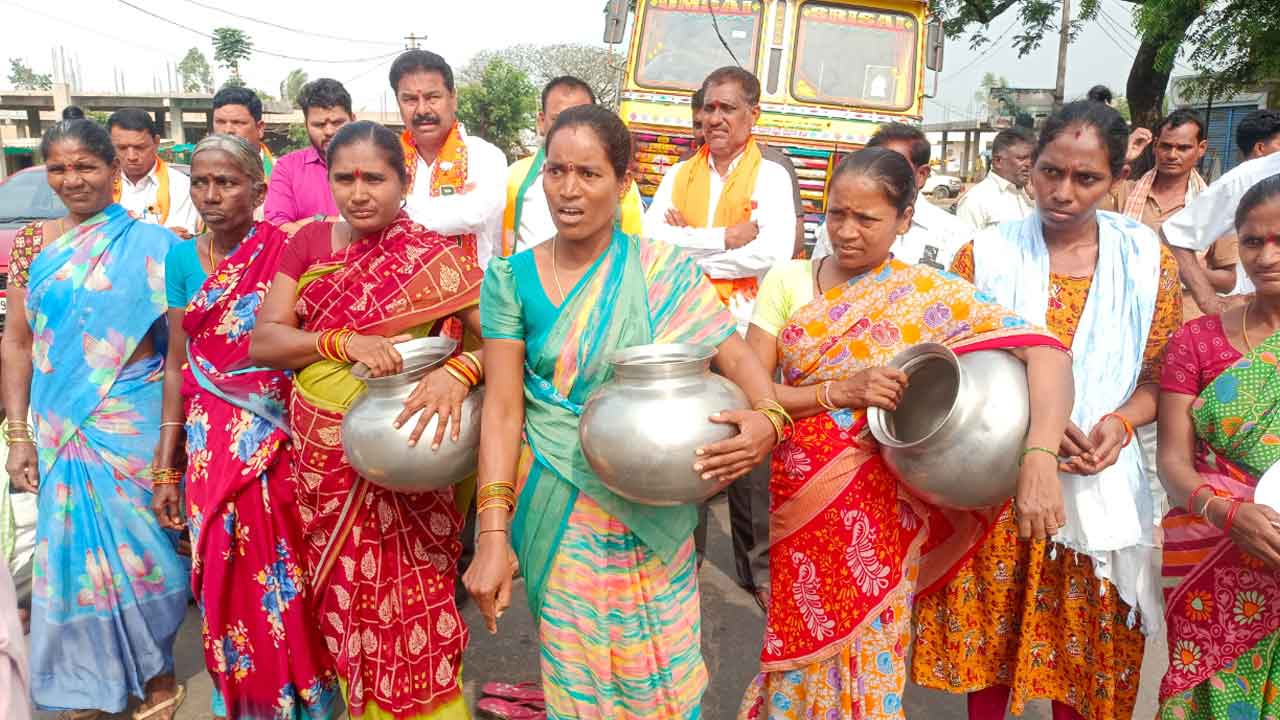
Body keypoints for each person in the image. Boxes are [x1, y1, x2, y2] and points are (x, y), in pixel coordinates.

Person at [466, 104, 781, 719]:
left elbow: (738, 359)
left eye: (589, 173)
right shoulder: (510, 278)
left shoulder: (662, 269)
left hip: (652, 501)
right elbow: (502, 412)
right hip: (556, 504)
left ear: (623, 180)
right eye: (555, 172)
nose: (569, 190)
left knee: (660, 666)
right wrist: (492, 536)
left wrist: (769, 416)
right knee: (576, 671)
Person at [736, 146, 1073, 720]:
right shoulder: (787, 280)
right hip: (800, 498)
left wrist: (1040, 453)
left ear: (905, 219)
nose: (846, 231)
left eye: (867, 219)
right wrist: (838, 392)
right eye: (836, 213)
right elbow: (752, 389)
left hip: (882, 507)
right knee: (798, 644)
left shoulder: (928, 295)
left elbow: (1047, 353)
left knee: (873, 648)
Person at [912, 100, 1182, 720]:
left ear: (1116, 178)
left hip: (1098, 485)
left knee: (1085, 660)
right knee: (991, 661)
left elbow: (1159, 375)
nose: (1062, 192)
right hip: (999, 486)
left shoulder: (1144, 260)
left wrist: (1118, 423)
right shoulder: (982, 257)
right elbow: (956, 369)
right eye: (1049, 172)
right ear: (1030, 169)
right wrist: (1039, 430)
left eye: (1085, 178)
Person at [250, 120, 484, 719]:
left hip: (406, 453)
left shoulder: (433, 257)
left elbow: (502, 344)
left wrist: (460, 373)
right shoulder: (305, 245)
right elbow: (266, 341)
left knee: (416, 600)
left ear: (403, 182)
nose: (359, 192)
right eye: (344, 178)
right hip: (323, 456)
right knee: (345, 603)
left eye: (375, 178)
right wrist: (339, 341)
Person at [0, 119, 188, 719]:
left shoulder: (157, 246)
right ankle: (88, 680)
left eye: (85, 166)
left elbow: (179, 352)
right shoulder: (34, 247)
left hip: (132, 425)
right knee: (71, 561)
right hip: (59, 429)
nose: (72, 179)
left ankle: (156, 669)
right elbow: (17, 343)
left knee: (149, 557)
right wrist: (19, 434)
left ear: (113, 170)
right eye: (58, 168)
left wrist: (173, 443)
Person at [150, 134, 338, 719]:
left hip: (277, 435)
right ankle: (250, 699)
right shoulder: (181, 259)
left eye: (226, 182)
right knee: (221, 576)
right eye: (200, 183)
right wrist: (166, 463)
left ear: (258, 191)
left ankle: (307, 697)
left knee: (288, 573)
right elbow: (179, 362)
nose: (211, 195)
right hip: (210, 442)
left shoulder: (288, 245)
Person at [1155, 174, 1280, 719]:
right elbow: (1172, 462)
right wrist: (1227, 514)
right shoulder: (1197, 341)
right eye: (1252, 241)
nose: (1266, 255)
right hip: (1212, 551)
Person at [642, 66, 798, 334]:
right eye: (709, 108)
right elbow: (651, 242)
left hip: (745, 326)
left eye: (727, 108)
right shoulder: (679, 173)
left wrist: (692, 261)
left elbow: (771, 253)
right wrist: (724, 238)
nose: (714, 119)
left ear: (754, 115)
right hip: (676, 318)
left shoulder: (772, 176)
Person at [391, 50, 507, 270]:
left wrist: (394, 215)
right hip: (400, 295)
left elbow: (473, 215)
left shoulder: (485, 155)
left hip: (473, 298)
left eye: (433, 97)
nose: (422, 109)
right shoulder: (386, 158)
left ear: (453, 98)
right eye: (410, 99)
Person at [502, 75, 644, 254]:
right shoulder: (513, 178)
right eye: (559, 119)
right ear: (541, 121)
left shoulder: (622, 187)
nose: (569, 191)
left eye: (588, 174)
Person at [813, 122, 974, 270]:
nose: (848, 233)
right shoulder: (836, 230)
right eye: (873, 167)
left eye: (894, 168)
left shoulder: (956, 235)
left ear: (921, 174)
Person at [681, 86, 807, 258]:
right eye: (698, 124)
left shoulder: (774, 167)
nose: (710, 126)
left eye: (726, 112)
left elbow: (790, 242)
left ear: (752, 116)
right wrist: (729, 239)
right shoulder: (683, 167)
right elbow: (659, 240)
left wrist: (690, 240)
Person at [1171, 109, 1280, 307]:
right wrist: (1211, 303)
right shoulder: (1245, 179)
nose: (1172, 155)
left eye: (1182, 147)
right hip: (1261, 321)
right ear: (1260, 149)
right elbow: (1175, 236)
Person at [265, 78, 355, 234]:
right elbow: (277, 227)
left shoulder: (374, 162)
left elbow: (380, 223)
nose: (329, 132)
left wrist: (316, 220)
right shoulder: (287, 167)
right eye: (319, 125)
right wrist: (338, 225)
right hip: (306, 258)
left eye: (337, 122)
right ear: (305, 124)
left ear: (353, 120)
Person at [107, 108, 199, 236]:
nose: (131, 156)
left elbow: (179, 240)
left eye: (139, 147)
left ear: (156, 142)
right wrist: (160, 236)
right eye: (122, 148)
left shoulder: (181, 186)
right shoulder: (101, 184)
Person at [955, 127, 1035, 231]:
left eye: (1032, 158)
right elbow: (965, 245)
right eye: (1021, 158)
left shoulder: (1032, 196)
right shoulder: (976, 200)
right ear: (998, 161)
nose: (1029, 163)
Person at [213, 86, 274, 179]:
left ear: (260, 129)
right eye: (220, 122)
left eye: (237, 122)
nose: (228, 130)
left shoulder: (284, 174)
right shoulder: (197, 174)